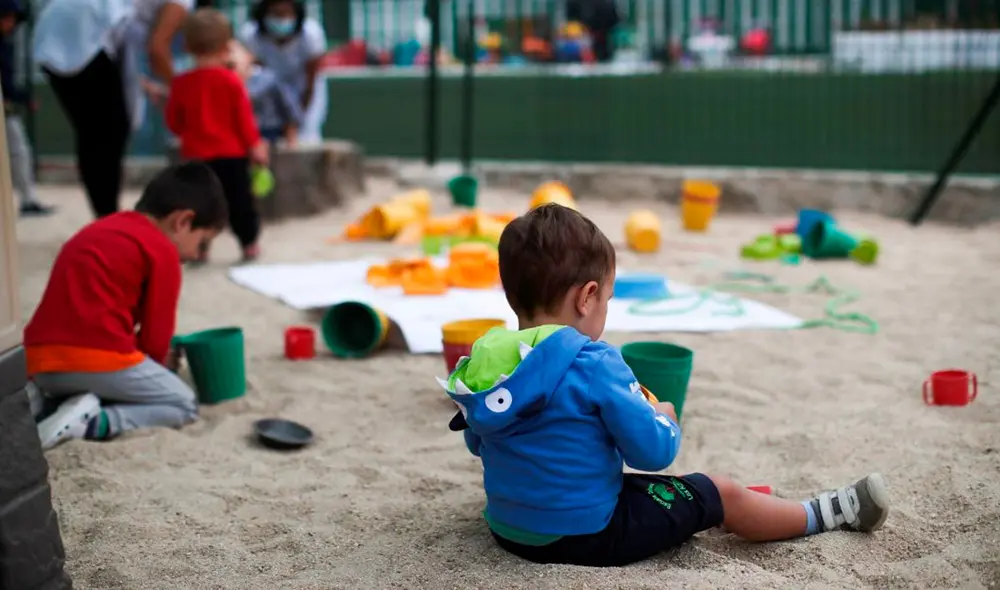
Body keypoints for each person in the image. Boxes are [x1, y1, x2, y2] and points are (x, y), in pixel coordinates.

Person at [439, 203, 891, 567]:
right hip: (589, 536)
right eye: (607, 300)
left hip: (511, 532)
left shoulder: (487, 361)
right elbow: (653, 454)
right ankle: (824, 514)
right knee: (719, 491)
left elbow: (479, 444)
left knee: (659, 490)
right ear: (587, 296)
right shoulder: (595, 362)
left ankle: (740, 504)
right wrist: (665, 417)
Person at [24, 162, 227, 450]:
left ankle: (47, 404)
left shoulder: (102, 228)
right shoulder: (162, 249)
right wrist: (160, 365)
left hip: (38, 363)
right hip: (95, 357)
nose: (196, 254)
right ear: (182, 221)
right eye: (202, 243)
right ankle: (96, 422)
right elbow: (156, 339)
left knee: (111, 374)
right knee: (183, 403)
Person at [32, 0, 194, 218]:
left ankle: (105, 215)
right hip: (83, 32)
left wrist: (144, 84)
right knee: (108, 133)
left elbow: (127, 52)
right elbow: (157, 48)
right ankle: (107, 217)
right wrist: (186, 95)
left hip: (55, 27)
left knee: (94, 133)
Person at [166, 9, 269, 263]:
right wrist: (255, 146)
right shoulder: (231, 81)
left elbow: (175, 123)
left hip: (195, 156)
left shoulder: (181, 83)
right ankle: (249, 244)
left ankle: (200, 247)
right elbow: (244, 120)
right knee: (239, 202)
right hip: (231, 156)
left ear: (187, 46)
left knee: (199, 205)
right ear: (226, 45)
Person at [241, 0, 327, 144]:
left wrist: (296, 118)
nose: (281, 18)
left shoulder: (311, 34)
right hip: (267, 91)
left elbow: (310, 81)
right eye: (275, 13)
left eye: (286, 13)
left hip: (303, 88)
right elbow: (254, 77)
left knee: (306, 138)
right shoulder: (250, 35)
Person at [0, 0, 53, 216]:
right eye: (7, 18)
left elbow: (9, 83)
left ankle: (28, 199)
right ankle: (27, 199)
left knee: (19, 151)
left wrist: (21, 97)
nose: (11, 23)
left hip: (8, 107)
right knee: (19, 152)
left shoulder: (6, 44)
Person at [230, 39, 302, 146]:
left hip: (270, 135)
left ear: (249, 56)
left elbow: (289, 108)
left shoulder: (269, 80)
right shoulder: (227, 84)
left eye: (234, 51)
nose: (231, 56)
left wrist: (291, 139)